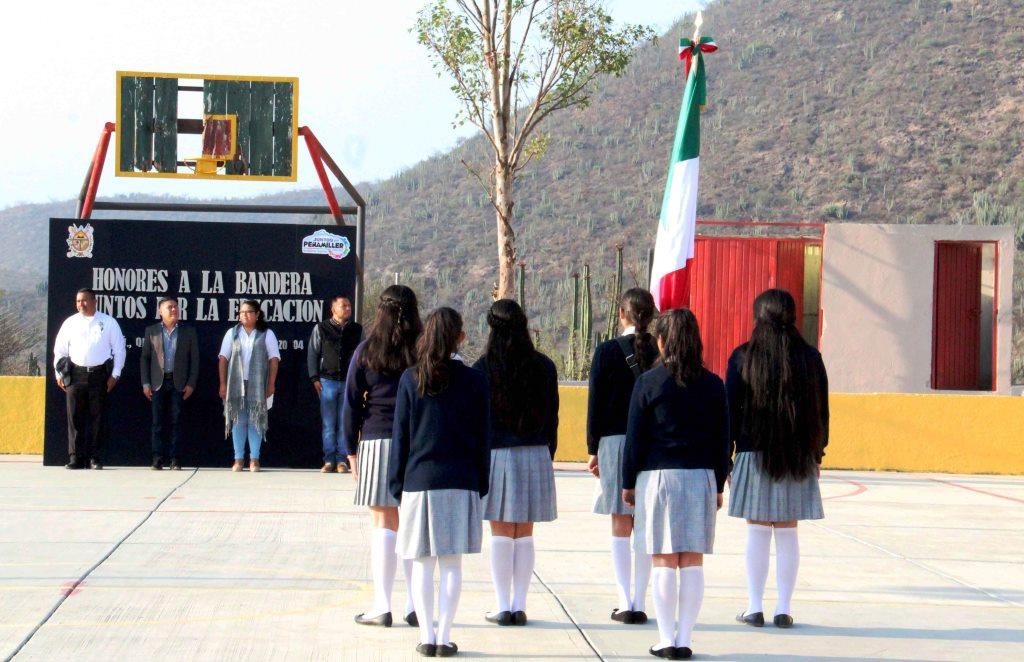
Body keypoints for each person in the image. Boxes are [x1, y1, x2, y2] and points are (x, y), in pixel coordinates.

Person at [622, 308, 730, 660]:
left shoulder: (649, 382)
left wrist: (627, 481)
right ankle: (685, 639)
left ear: (662, 341)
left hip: (659, 478)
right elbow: (722, 439)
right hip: (700, 476)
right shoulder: (713, 384)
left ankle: (666, 640)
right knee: (692, 559)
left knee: (664, 559)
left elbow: (634, 439)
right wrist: (718, 481)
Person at [389, 307, 489, 658]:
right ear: (459, 337)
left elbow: (400, 438)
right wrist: (482, 482)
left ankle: (427, 636)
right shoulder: (476, 380)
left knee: (421, 563)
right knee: (451, 564)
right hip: (461, 480)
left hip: (419, 481)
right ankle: (445, 638)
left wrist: (396, 485)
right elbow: (482, 438)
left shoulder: (411, 379)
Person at [726, 289, 829, 629]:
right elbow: (821, 410)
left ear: (758, 317)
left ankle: (754, 607)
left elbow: (729, 412)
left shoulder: (743, 357)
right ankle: (784, 609)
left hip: (753, 452)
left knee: (757, 530)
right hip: (797, 454)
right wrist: (817, 451)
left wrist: (726, 457)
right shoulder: (810, 358)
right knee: (787, 532)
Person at [472, 299, 559, 627]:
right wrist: (546, 452)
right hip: (535, 451)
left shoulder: (482, 368)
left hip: (496, 453)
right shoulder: (545, 365)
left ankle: (502, 604)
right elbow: (553, 416)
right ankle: (519, 604)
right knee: (524, 532)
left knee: (500, 531)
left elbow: (476, 421)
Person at [343, 285, 422, 629]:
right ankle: (415, 604)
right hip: (418, 443)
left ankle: (382, 605)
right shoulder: (423, 350)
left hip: (376, 440)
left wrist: (350, 451)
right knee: (412, 524)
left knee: (382, 524)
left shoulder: (365, 350)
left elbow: (350, 404)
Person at [586, 287, 659, 624]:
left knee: (620, 519)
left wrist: (592, 449)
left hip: (614, 443)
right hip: (652, 443)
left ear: (622, 315)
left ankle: (624, 599)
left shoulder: (606, 351)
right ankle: (641, 601)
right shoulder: (661, 350)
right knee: (644, 522)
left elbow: (596, 404)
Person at [53, 288, 126, 470]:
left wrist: (115, 374)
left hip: (99, 375)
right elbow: (59, 350)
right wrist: (58, 373)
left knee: (97, 417)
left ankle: (94, 457)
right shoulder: (70, 323)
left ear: (95, 301)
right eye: (78, 301)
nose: (81, 304)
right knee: (74, 417)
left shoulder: (108, 323)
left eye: (84, 300)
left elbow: (119, 350)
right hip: (75, 374)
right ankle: (75, 458)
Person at [218, 300, 280, 472]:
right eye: (241, 312)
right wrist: (223, 384)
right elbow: (223, 359)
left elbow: (274, 360)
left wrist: (271, 384)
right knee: (238, 419)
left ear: (257, 314)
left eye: (248, 312)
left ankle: (254, 459)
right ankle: (238, 459)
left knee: (256, 420)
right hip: (236, 384)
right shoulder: (233, 333)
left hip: (258, 384)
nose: (244, 315)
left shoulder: (266, 334)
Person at [141, 297, 199, 470]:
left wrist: (191, 383)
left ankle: (175, 459)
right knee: (157, 423)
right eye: (169, 307)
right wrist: (145, 383)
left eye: (176, 307)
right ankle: (157, 458)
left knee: (177, 421)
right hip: (157, 382)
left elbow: (195, 360)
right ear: (160, 311)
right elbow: (145, 358)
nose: (174, 310)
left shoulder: (188, 332)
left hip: (179, 382)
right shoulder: (151, 331)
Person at [308, 295, 362, 473]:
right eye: (343, 306)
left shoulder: (357, 329)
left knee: (344, 423)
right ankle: (328, 460)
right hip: (327, 382)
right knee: (329, 424)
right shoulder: (321, 328)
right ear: (333, 309)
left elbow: (363, 356)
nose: (348, 308)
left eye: (349, 305)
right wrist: (314, 378)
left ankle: (342, 460)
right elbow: (313, 353)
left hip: (349, 382)